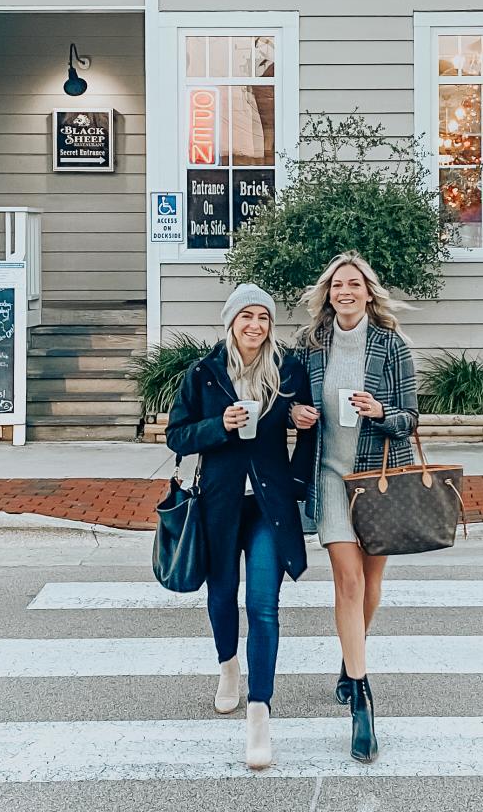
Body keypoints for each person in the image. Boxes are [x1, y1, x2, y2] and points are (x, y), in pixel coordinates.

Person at [166, 283, 317, 771]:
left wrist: (299, 456)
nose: (255, 325)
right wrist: (219, 426)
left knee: (264, 607)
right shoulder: (205, 373)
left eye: (264, 318)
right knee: (221, 595)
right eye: (247, 317)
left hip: (270, 505)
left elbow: (309, 432)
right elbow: (176, 434)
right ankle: (227, 666)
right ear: (231, 322)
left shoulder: (288, 370)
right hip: (220, 503)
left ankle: (259, 712)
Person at [291, 252, 418, 763]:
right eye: (336, 285)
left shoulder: (392, 346)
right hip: (330, 476)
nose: (344, 291)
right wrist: (296, 414)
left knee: (371, 581)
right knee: (347, 580)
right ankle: (362, 697)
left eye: (353, 284)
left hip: (378, 477)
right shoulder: (309, 346)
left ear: (369, 292)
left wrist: (381, 411)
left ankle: (348, 663)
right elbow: (289, 402)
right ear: (328, 294)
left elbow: (410, 418)